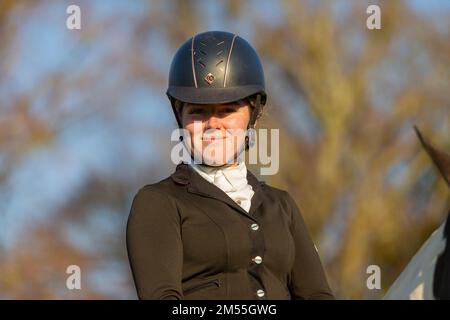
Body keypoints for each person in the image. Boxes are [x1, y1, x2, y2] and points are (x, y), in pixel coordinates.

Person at [126, 30, 334, 300]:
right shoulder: (158, 202)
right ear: (181, 119)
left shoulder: (281, 206)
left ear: (253, 117)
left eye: (227, 110)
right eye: (198, 111)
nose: (213, 124)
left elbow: (317, 295)